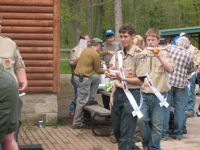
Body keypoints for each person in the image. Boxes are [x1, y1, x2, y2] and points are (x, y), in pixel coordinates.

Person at [109, 24, 145, 150]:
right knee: (117, 131)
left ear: (133, 36)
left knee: (126, 134)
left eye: (125, 37)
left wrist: (122, 78)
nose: (123, 39)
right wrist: (112, 94)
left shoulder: (140, 54)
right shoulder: (118, 54)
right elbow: (113, 73)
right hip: (118, 93)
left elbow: (140, 81)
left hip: (132, 95)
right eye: (121, 37)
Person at [138, 28, 173, 150]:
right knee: (142, 120)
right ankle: (146, 144)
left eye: (153, 39)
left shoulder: (164, 53)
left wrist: (159, 57)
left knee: (157, 126)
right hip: (144, 94)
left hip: (160, 95)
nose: (151, 42)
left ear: (158, 40)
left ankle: (154, 147)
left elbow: (170, 69)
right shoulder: (142, 53)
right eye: (148, 39)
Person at [72, 37, 109, 128]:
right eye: (101, 46)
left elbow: (98, 54)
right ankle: (76, 122)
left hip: (77, 76)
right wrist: (107, 71)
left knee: (96, 80)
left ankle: (90, 98)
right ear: (98, 45)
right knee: (81, 100)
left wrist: (107, 52)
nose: (102, 47)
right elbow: (97, 69)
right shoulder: (95, 54)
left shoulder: (87, 50)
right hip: (83, 78)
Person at [0, 36, 28, 150]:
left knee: (9, 135)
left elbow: (19, 64)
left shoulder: (9, 43)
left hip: (9, 95)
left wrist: (23, 80)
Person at [166, 36, 194, 140]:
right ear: (187, 45)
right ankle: (178, 133)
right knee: (180, 109)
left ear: (177, 43)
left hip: (168, 82)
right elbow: (191, 70)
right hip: (181, 84)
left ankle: (164, 133)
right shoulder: (189, 55)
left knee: (165, 107)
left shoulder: (169, 48)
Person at [68, 33, 90, 118]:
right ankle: (73, 109)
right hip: (76, 77)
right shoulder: (75, 50)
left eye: (89, 41)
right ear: (82, 41)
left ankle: (84, 115)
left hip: (86, 77)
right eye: (87, 41)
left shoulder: (88, 50)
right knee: (79, 96)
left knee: (83, 96)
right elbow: (71, 63)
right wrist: (79, 58)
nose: (89, 42)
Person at [101, 29, 122, 110]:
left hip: (116, 69)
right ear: (106, 38)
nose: (110, 39)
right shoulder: (103, 45)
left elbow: (122, 54)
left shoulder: (118, 45)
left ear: (114, 37)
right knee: (105, 88)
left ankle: (115, 107)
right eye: (108, 37)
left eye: (111, 37)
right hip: (106, 69)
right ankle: (106, 107)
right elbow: (100, 56)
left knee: (115, 87)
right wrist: (102, 61)